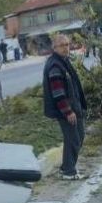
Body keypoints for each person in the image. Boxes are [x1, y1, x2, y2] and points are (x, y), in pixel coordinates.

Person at [42, 34, 88, 180]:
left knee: (78, 137)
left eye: (67, 45)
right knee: (73, 139)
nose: (66, 48)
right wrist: (68, 111)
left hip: (75, 108)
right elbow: (58, 93)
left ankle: (66, 168)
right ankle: (68, 171)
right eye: (62, 45)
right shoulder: (55, 65)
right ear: (54, 48)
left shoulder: (64, 61)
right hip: (66, 111)